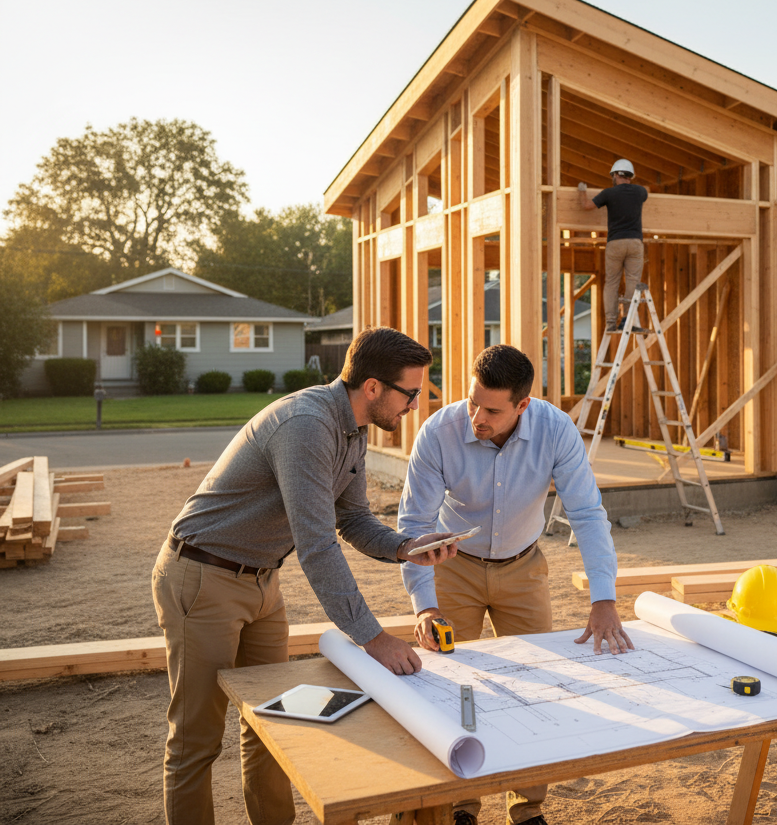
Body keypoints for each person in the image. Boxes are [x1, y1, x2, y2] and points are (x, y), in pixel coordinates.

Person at [152, 327, 464, 825]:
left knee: (272, 722)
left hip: (261, 582)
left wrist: (407, 548)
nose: (414, 406)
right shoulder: (307, 425)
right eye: (411, 393)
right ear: (373, 388)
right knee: (197, 738)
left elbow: (353, 520)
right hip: (203, 575)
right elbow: (318, 546)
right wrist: (373, 638)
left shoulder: (353, 430)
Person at [397, 344, 632, 825]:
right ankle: (461, 805)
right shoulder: (438, 433)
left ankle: (527, 808)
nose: (476, 416)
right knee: (450, 685)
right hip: (453, 566)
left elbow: (587, 513)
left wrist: (604, 598)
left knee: (534, 686)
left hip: (524, 568)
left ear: (523, 405)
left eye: (492, 409)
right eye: (472, 401)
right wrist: (424, 605)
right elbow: (413, 524)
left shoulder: (556, 430)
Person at [579, 158, 648, 332]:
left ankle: (611, 322)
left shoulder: (608, 193)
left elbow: (586, 206)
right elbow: (646, 192)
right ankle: (627, 319)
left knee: (612, 282)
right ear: (630, 176)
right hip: (634, 243)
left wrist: (582, 191)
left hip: (615, 243)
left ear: (615, 175)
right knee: (632, 281)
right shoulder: (640, 192)